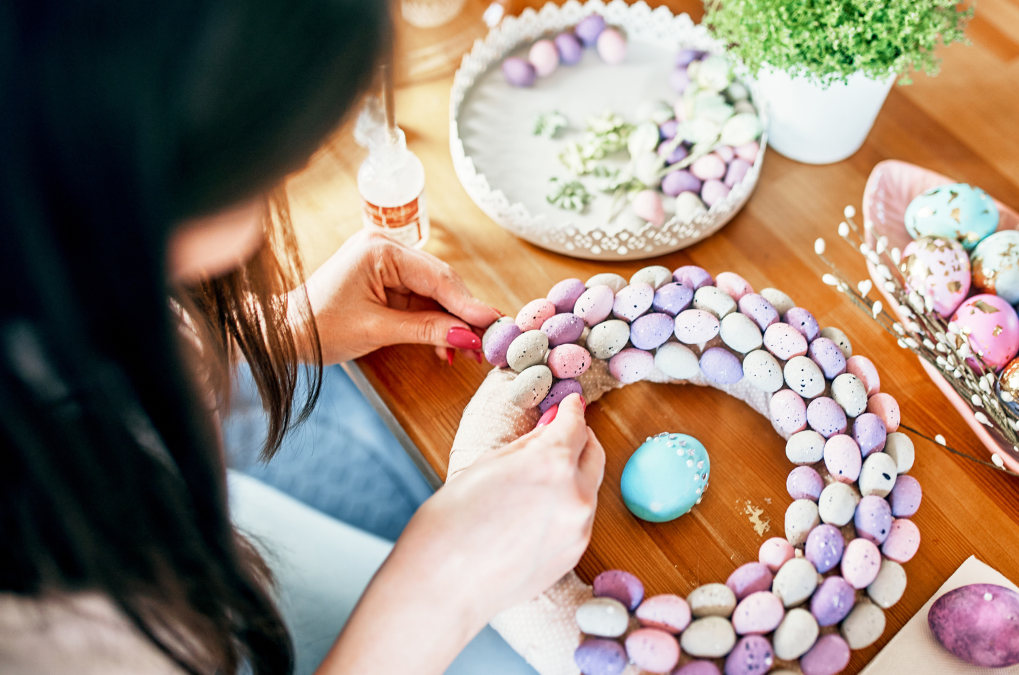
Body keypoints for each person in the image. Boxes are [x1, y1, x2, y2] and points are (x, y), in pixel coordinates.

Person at [0, 1, 605, 674]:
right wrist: (442, 587)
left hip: (189, 534)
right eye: (268, 173)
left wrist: (269, 329)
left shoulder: (37, 234)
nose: (262, 221)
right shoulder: (49, 628)